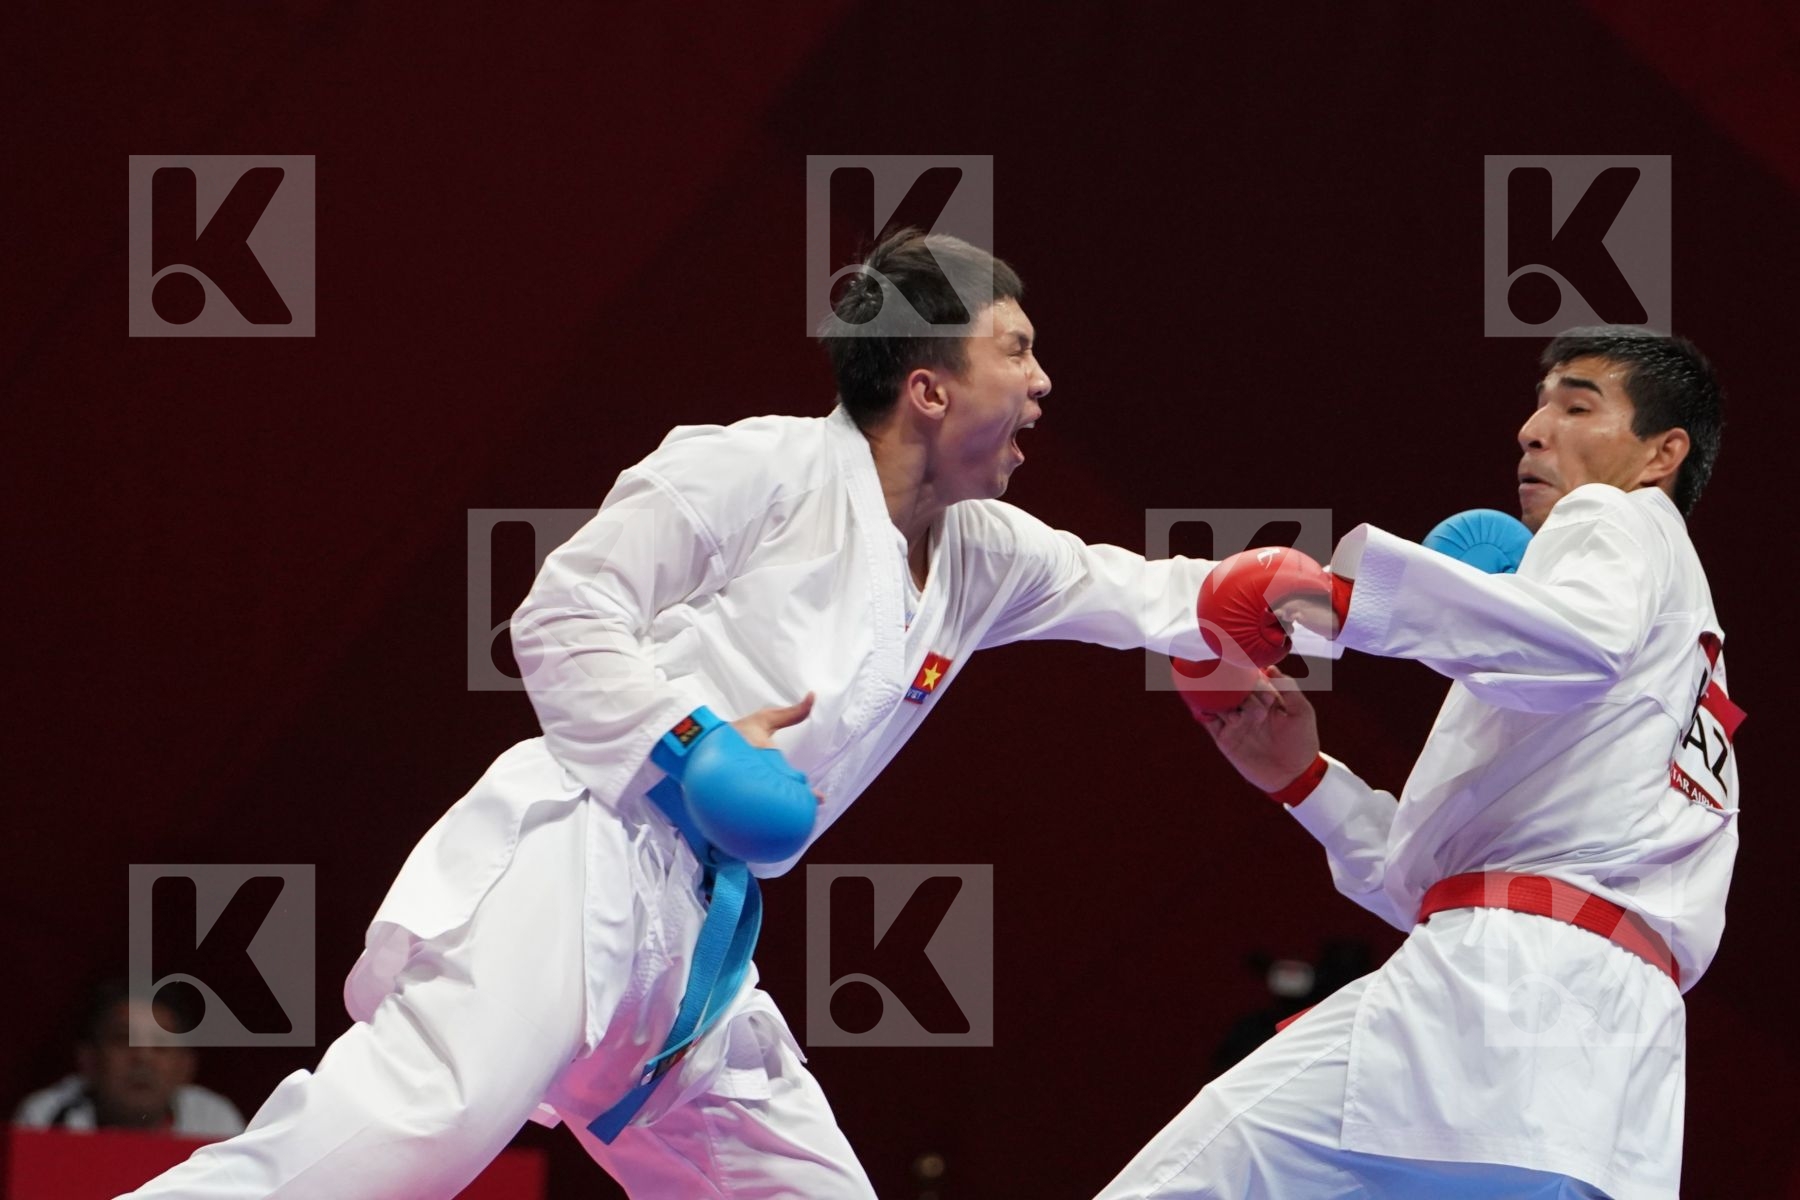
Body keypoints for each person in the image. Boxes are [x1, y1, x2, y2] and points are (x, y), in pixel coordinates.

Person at [122, 228, 1299, 1199]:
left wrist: (1334, 596)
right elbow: (563, 615)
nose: (1044, 383)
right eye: (1019, 352)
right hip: (589, 862)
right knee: (403, 1142)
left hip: (700, 953)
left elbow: (1159, 597)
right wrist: (692, 751)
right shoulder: (756, 470)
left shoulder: (985, 554)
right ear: (930, 386)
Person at [1099, 328, 1736, 1200]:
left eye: (1577, 405)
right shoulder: (1681, 662)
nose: (1533, 428)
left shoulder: (1616, 518)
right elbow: (1446, 889)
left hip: (1494, 1002)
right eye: (1541, 401)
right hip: (1618, 1086)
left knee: (1194, 1180)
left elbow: (1575, 643)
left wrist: (1338, 600)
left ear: (1662, 454)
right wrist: (1306, 780)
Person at [14, 979, 245, 1136]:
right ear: (88, 1059)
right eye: (124, 1040)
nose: (143, 1058)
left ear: (186, 1066)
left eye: (160, 1045)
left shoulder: (215, 1123)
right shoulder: (46, 1119)